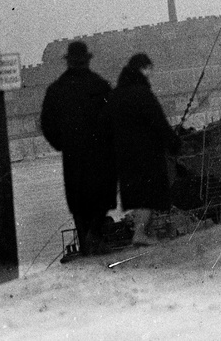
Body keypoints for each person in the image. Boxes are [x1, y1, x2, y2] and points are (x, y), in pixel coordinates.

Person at [39, 41, 116, 256]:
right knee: (101, 196)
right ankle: (96, 237)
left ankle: (85, 244)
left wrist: (61, 144)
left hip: (73, 155)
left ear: (68, 62)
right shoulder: (100, 85)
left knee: (79, 202)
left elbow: (46, 124)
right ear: (88, 59)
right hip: (99, 154)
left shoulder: (56, 90)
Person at [110, 52, 181, 246]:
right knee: (150, 193)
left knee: (139, 195)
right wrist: (174, 143)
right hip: (144, 152)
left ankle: (144, 234)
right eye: (149, 70)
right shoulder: (142, 93)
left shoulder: (116, 94)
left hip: (122, 154)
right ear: (142, 69)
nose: (151, 74)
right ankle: (140, 234)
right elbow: (159, 122)